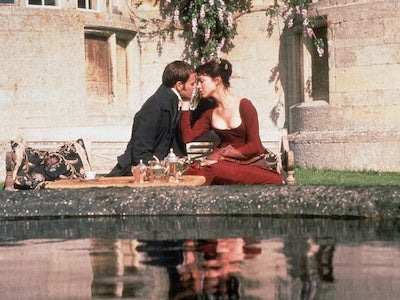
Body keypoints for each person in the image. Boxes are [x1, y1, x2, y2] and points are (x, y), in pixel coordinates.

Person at [180, 59, 283, 185]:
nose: (198, 86)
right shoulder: (209, 113)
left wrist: (221, 155)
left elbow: (255, 147)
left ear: (217, 80)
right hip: (222, 165)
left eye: (202, 81)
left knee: (212, 170)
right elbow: (187, 137)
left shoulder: (244, 106)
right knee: (194, 170)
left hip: (247, 164)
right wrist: (185, 102)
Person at [108, 61, 196, 176]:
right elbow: (140, 152)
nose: (195, 87)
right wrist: (159, 172)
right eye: (192, 84)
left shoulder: (170, 102)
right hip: (137, 174)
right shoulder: (155, 107)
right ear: (179, 85)